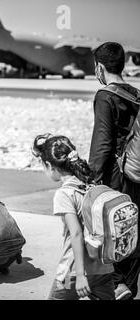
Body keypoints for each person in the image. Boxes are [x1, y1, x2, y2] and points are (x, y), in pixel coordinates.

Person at [32, 134, 115, 300]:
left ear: (49, 165)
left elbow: (76, 233)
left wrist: (80, 274)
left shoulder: (64, 194)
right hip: (104, 268)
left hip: (74, 271)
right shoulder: (90, 184)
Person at [89, 42, 140, 300]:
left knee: (112, 230)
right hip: (137, 174)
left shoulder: (105, 96)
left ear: (100, 67)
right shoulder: (136, 94)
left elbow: (103, 142)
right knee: (133, 230)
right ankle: (129, 284)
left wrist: (92, 181)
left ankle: (117, 287)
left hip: (117, 176)